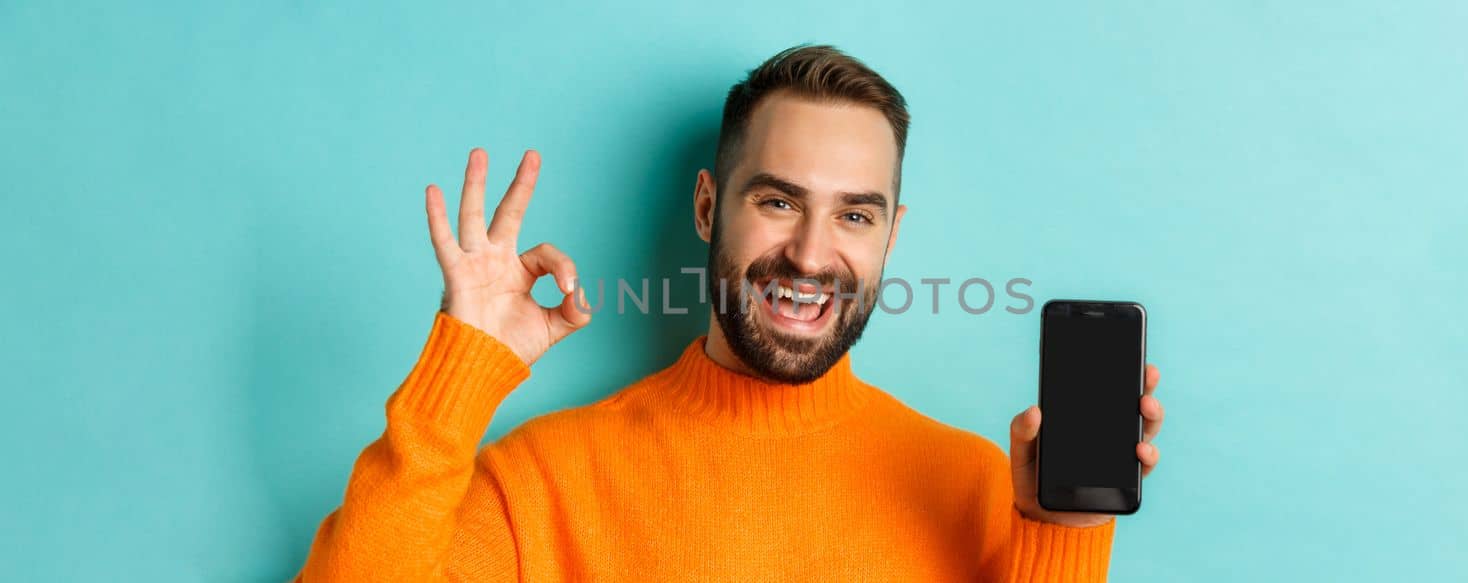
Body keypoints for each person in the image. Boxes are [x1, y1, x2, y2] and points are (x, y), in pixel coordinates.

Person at [295, 44, 1166, 582]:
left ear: (891, 236)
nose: (814, 253)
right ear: (709, 208)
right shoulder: (540, 486)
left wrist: (1062, 537)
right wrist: (461, 376)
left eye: (855, 214)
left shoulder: (976, 491)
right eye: (779, 201)